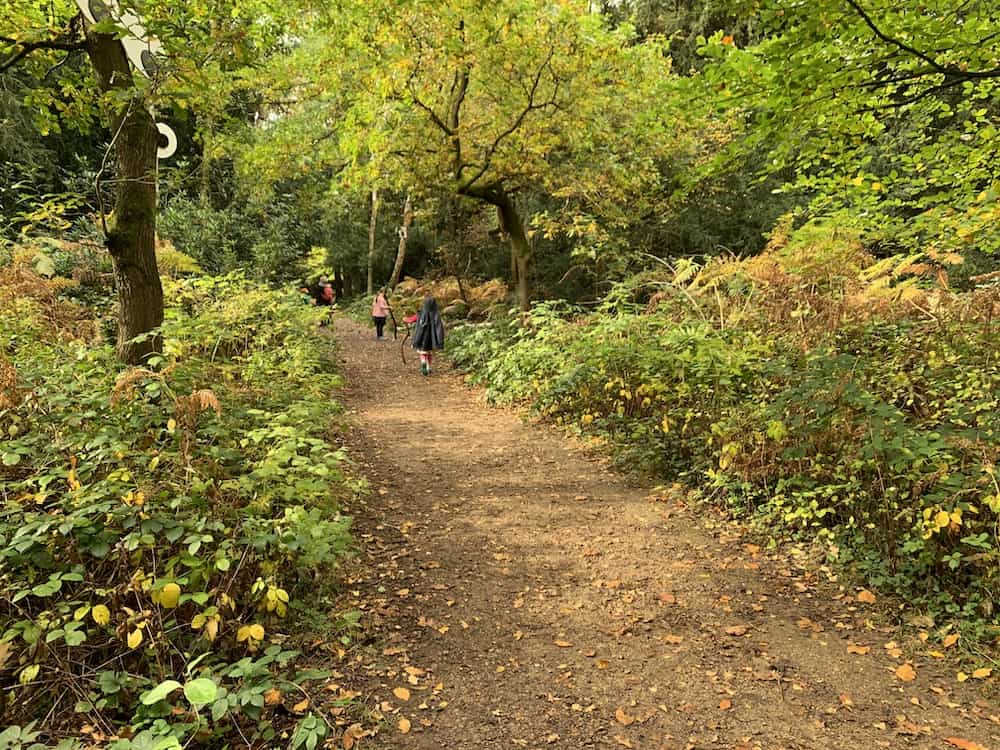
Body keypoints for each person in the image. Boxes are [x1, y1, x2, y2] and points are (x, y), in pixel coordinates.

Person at [410, 296, 445, 376]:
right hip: (432, 339)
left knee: (422, 353)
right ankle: (429, 367)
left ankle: (423, 363)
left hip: (422, 337)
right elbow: (439, 327)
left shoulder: (421, 313)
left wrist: (407, 320)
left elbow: (414, 319)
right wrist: (440, 341)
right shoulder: (436, 314)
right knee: (429, 353)